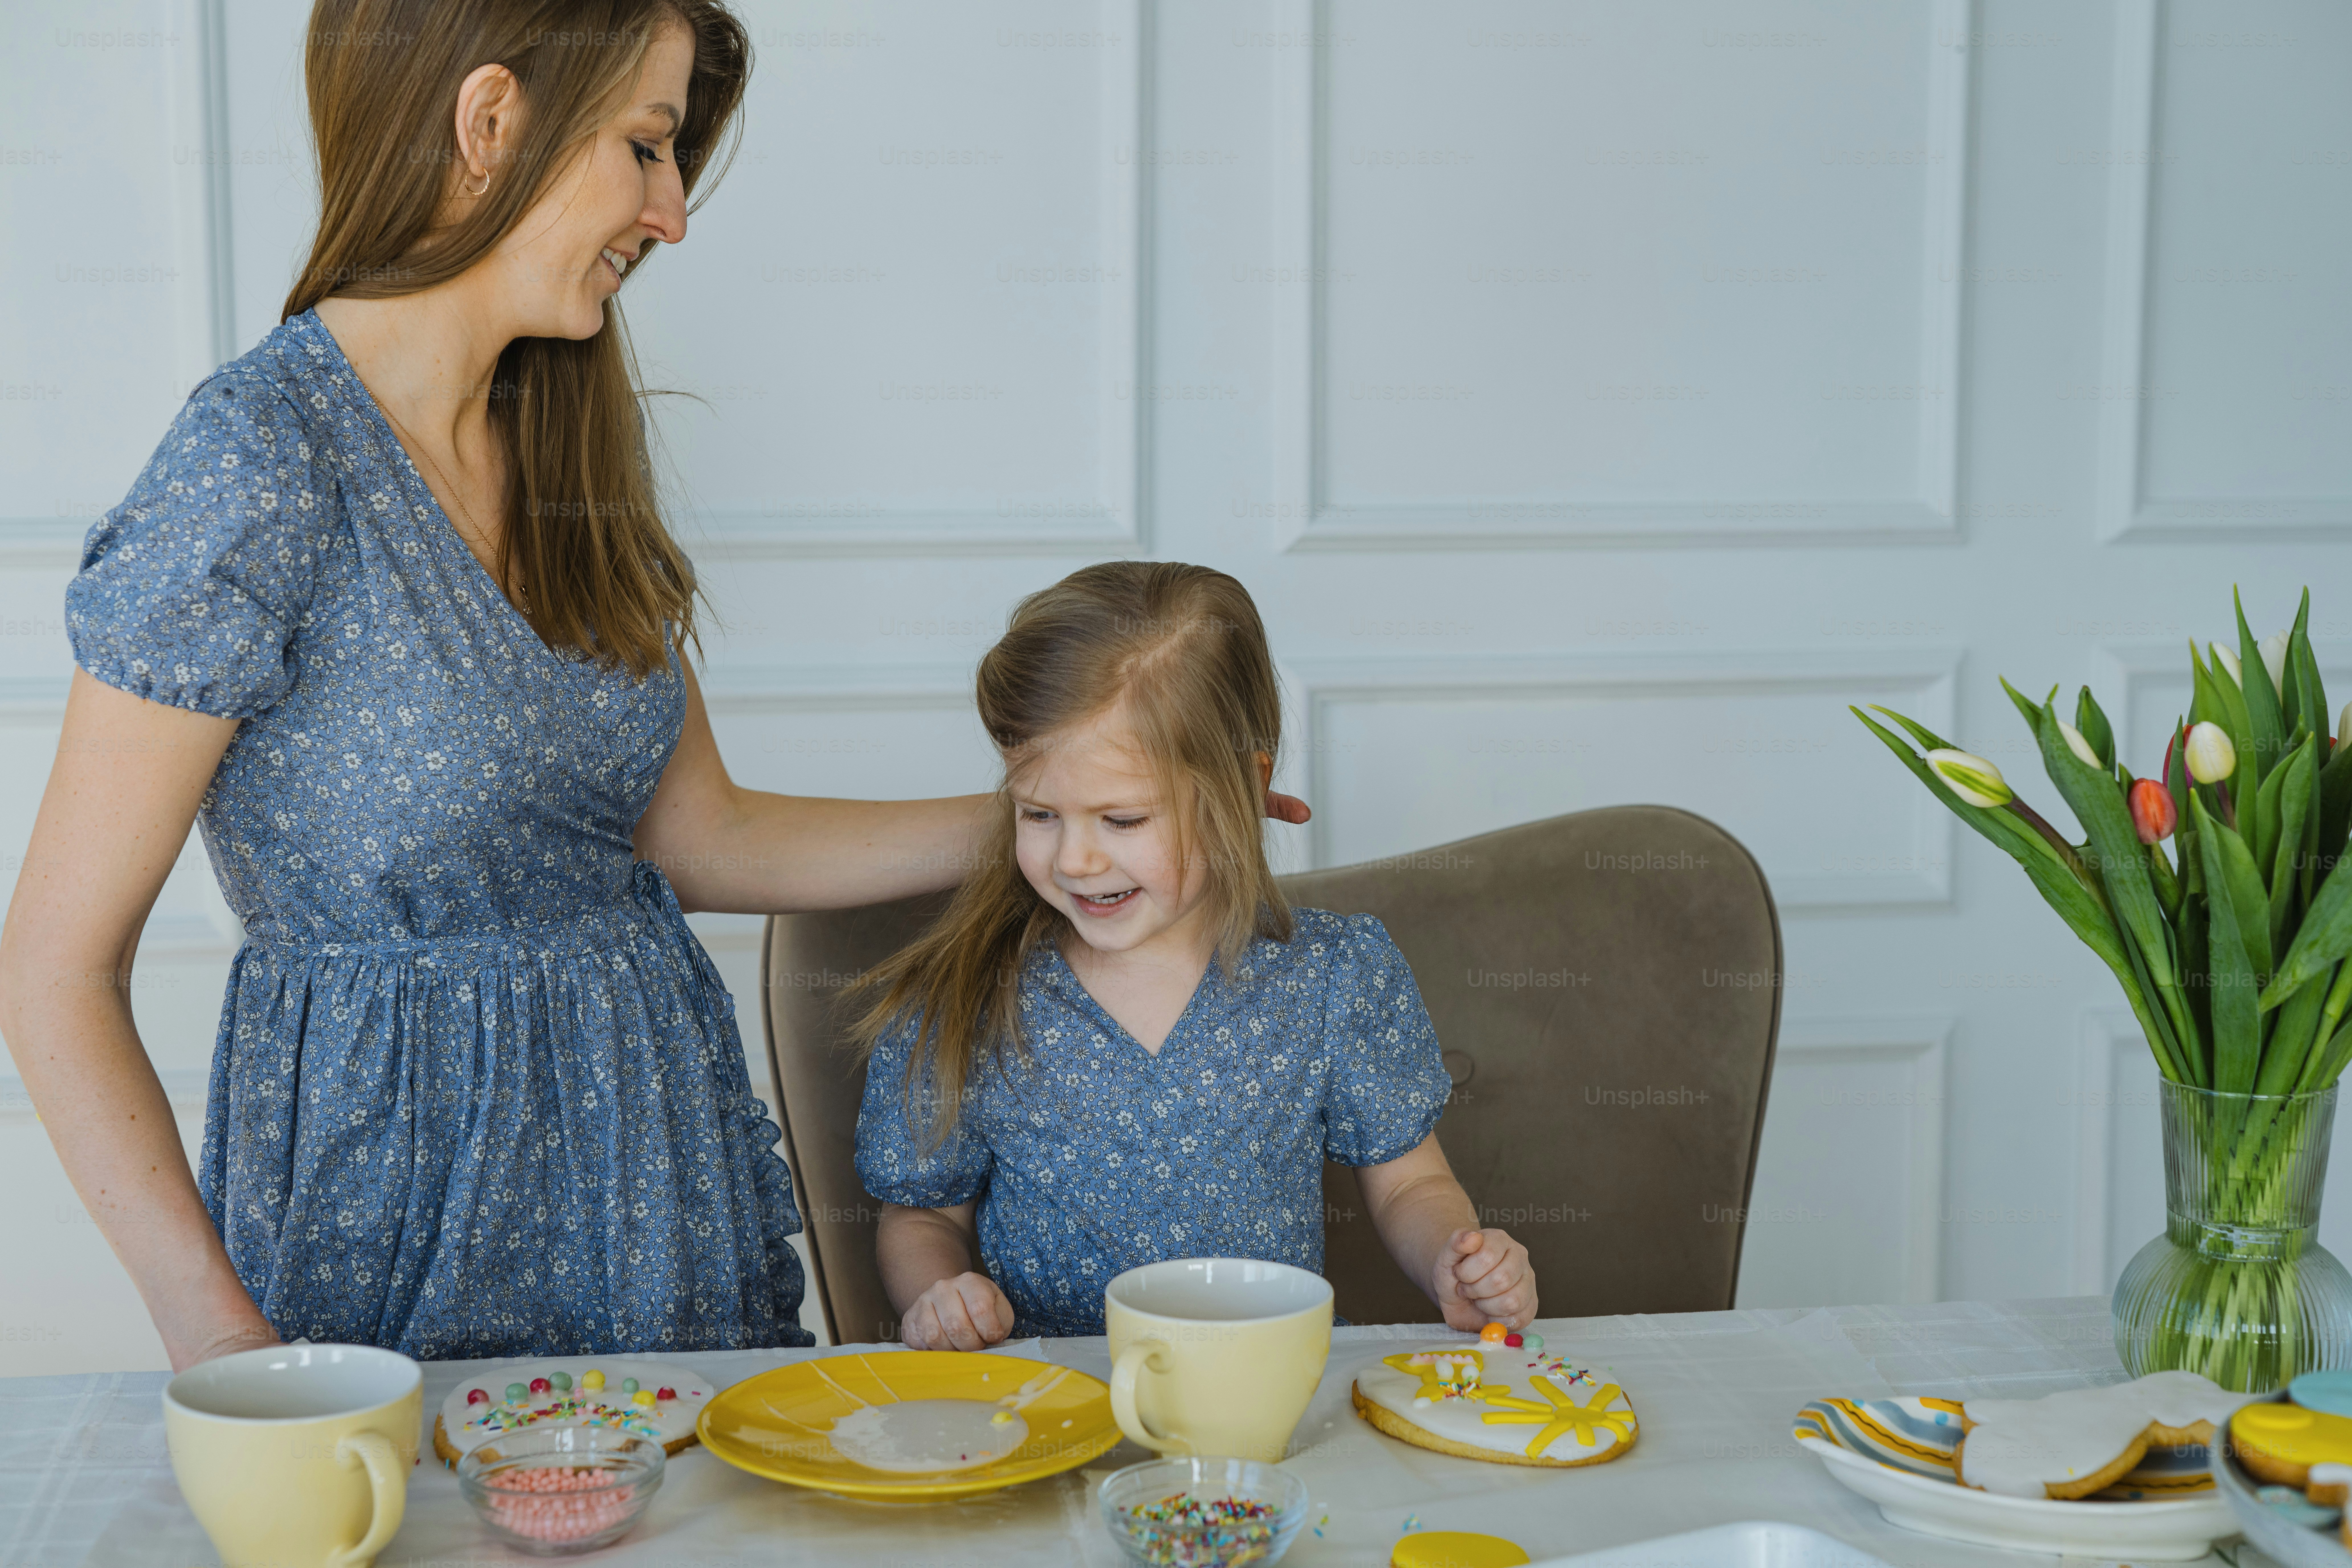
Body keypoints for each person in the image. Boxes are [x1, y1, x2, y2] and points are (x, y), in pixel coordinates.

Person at [0, 1, 1306, 1370]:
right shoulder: (258, 462)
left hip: (649, 1186)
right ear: (489, 121)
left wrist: (1065, 822)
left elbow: (696, 836)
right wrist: (224, 1341)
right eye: (646, 146)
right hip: (396, 1221)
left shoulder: (563, 445)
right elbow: (54, 969)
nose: (672, 215)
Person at [853, 562, 1538, 1349]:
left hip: (1267, 1382)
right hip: (1056, 1393)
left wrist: (1456, 1259)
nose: (1074, 860)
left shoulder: (1332, 976)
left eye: (1123, 820)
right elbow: (923, 1217)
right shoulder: (971, 996)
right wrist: (941, 1296)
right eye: (1038, 813)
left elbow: (1410, 1184)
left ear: (1242, 787)